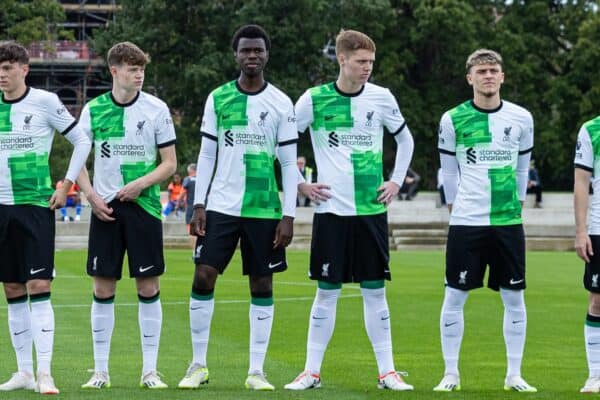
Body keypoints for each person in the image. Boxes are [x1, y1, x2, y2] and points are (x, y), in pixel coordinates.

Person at [285, 29, 415, 391]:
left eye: (371, 62)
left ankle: (387, 372)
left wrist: (396, 181)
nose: (367, 68)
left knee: (375, 291)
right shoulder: (313, 99)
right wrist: (299, 182)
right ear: (342, 60)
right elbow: (283, 142)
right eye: (361, 62)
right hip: (331, 213)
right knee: (327, 291)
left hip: (371, 211)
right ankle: (311, 372)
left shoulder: (382, 97)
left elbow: (405, 139)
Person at [177, 25, 297, 391]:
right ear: (236, 55)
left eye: (258, 50)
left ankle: (256, 371)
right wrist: (199, 203)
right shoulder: (218, 98)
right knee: (203, 276)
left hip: (264, 208)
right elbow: (208, 153)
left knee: (261, 282)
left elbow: (290, 164)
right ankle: (197, 365)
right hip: (222, 207)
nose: (252, 56)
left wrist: (288, 215)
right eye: (245, 50)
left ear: (266, 54)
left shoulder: (281, 102)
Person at [77, 41, 177, 390]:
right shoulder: (93, 110)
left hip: (145, 207)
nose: (139, 75)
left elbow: (170, 163)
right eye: (133, 69)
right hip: (105, 208)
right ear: (114, 71)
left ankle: (150, 371)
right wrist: (89, 196)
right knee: (103, 287)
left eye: (142, 70)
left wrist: (139, 184)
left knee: (148, 286)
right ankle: (100, 372)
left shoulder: (156, 109)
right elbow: (79, 162)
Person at [435, 49, 536, 392]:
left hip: (507, 222)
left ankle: (514, 374)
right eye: (482, 71)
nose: (488, 76)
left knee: (514, 298)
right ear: (470, 78)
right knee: (454, 297)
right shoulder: (452, 119)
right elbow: (448, 173)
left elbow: (523, 170)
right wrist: (455, 210)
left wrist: (517, 205)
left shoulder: (522, 118)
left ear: (503, 76)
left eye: (494, 70)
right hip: (467, 222)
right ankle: (451, 373)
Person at [0, 42, 91, 394]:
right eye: (0, 68)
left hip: (36, 205)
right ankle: (23, 372)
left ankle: (45, 373)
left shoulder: (45, 102)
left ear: (25, 68)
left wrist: (67, 184)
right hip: (2, 208)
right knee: (11, 287)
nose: (3, 74)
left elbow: (81, 141)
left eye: (8, 67)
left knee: (39, 286)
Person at [574, 115, 600, 393]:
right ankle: (595, 375)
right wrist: (581, 231)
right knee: (598, 302)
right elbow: (581, 182)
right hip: (599, 227)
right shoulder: (592, 130)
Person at [181, 163, 197, 247]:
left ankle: (194, 251)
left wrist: (177, 204)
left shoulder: (188, 179)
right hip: (202, 208)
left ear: (191, 170)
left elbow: (183, 192)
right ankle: (201, 250)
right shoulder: (202, 178)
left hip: (191, 207)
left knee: (191, 230)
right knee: (201, 229)